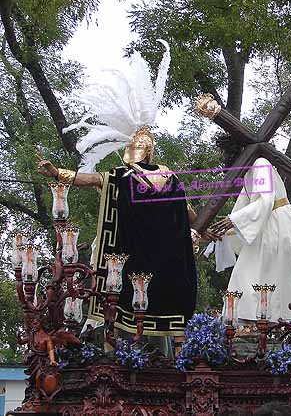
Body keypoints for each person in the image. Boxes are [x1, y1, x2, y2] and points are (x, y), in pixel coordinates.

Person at [37, 41, 210, 341]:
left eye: (145, 144)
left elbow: (188, 211)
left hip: (169, 259)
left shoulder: (169, 176)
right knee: (128, 310)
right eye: (138, 144)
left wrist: (200, 229)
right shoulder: (121, 176)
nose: (141, 147)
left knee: (173, 308)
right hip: (135, 258)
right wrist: (58, 174)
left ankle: (178, 356)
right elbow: (89, 179)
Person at [209, 135, 291, 322]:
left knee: (274, 274)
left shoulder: (261, 163)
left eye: (224, 152)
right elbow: (244, 205)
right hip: (266, 225)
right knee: (255, 274)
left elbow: (266, 200)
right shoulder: (248, 171)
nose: (222, 157)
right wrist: (229, 228)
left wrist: (234, 220)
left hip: (277, 223)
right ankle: (252, 321)